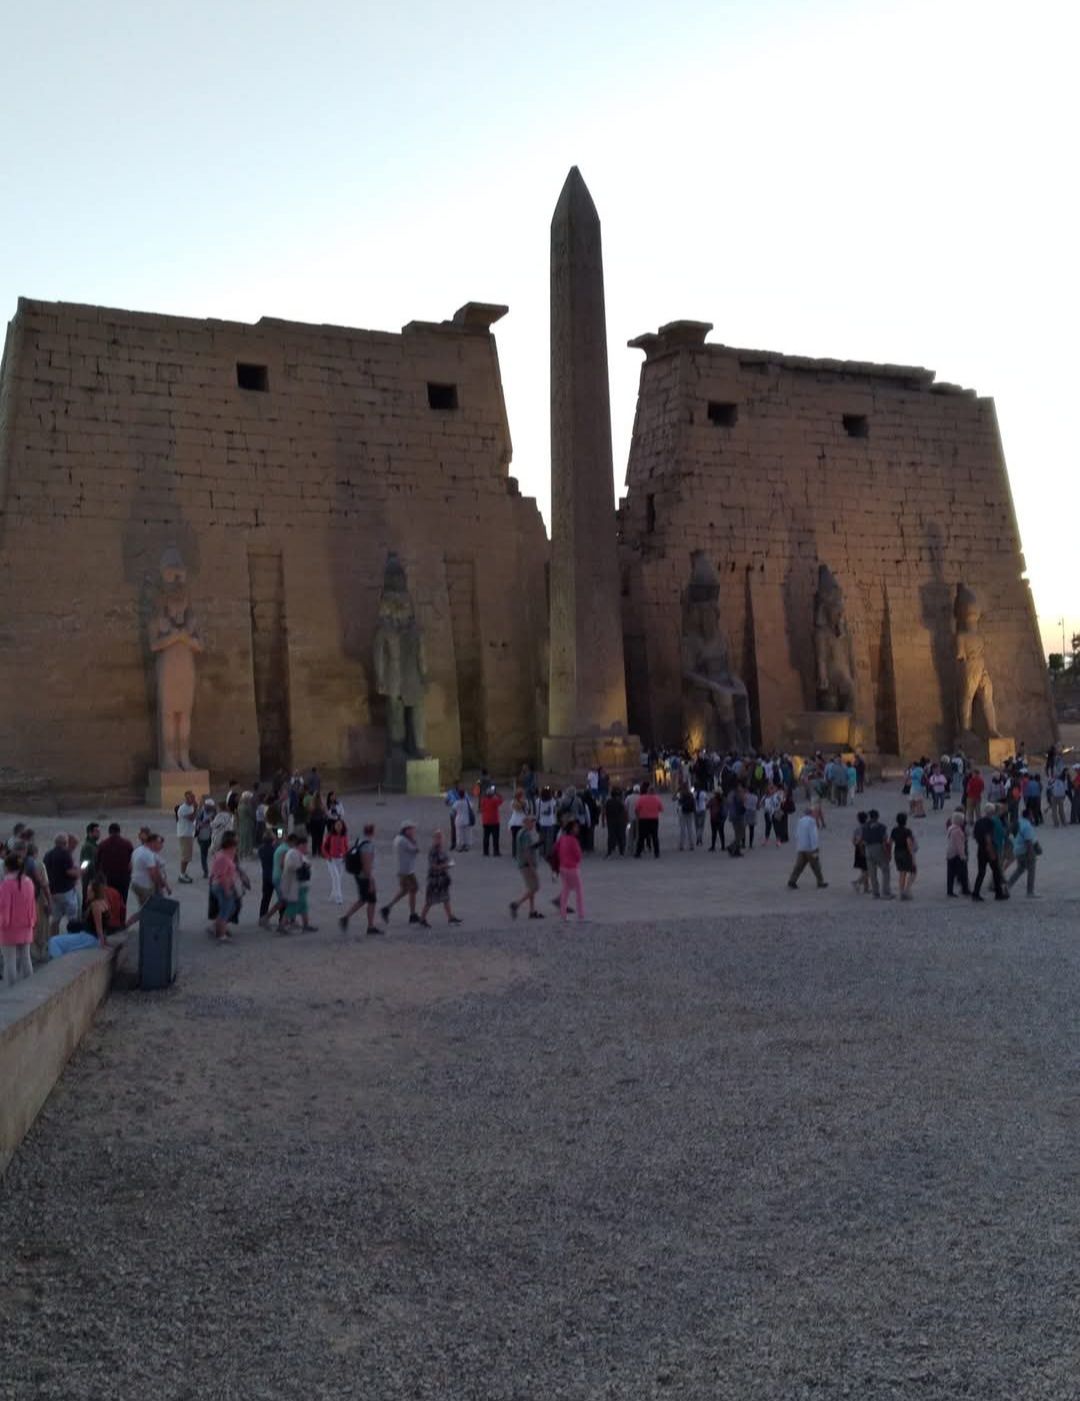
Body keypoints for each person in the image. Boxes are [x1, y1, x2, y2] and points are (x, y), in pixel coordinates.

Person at [1, 852, 38, 985]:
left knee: (9, 960)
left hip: (9, 926)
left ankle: (12, 989)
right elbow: (32, 903)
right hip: (26, 924)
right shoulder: (28, 882)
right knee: (25, 957)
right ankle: (29, 985)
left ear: (7, 867)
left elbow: (4, 906)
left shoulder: (6, 884)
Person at [209, 833, 250, 943]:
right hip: (222, 886)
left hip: (223, 885)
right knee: (226, 909)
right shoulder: (223, 857)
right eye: (236, 844)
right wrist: (227, 890)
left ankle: (218, 929)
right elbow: (222, 876)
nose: (237, 846)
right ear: (231, 845)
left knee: (229, 908)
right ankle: (221, 934)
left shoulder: (225, 855)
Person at [340, 825, 381, 934]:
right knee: (371, 900)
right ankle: (370, 926)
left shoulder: (359, 841)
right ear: (372, 832)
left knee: (363, 899)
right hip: (365, 876)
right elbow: (366, 864)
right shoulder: (367, 845)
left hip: (358, 874)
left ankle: (346, 917)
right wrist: (371, 881)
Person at [418, 830, 461, 927]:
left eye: (441, 838)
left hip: (442, 878)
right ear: (435, 839)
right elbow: (433, 866)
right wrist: (446, 865)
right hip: (435, 879)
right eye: (438, 838)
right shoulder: (433, 850)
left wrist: (448, 865)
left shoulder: (441, 849)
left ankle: (450, 918)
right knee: (430, 900)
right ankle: (422, 918)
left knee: (446, 898)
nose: (440, 840)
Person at [381, 822, 421, 925]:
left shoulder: (399, 839)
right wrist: (413, 841)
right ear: (406, 830)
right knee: (409, 890)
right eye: (411, 829)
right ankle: (389, 908)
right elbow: (415, 850)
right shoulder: (403, 841)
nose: (413, 832)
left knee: (410, 890)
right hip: (405, 871)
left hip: (406, 869)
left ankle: (410, 913)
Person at [44, 832, 81, 936]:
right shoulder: (65, 854)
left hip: (53, 891)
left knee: (55, 918)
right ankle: (72, 937)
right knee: (72, 917)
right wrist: (80, 872)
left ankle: (52, 939)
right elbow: (69, 872)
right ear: (65, 843)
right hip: (66, 891)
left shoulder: (48, 854)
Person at [280, 833, 317, 932]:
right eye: (305, 845)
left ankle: (305, 925)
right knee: (293, 905)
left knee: (303, 906)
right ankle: (282, 925)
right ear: (300, 845)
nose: (306, 848)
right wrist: (304, 866)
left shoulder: (296, 853)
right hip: (295, 885)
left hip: (300, 885)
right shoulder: (293, 853)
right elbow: (293, 867)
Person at [971, 805, 1007, 901]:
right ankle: (998, 893)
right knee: (996, 871)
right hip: (988, 849)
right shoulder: (990, 822)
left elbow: (974, 836)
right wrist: (991, 851)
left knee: (981, 872)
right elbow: (988, 837)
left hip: (980, 849)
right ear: (992, 812)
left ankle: (976, 893)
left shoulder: (978, 822)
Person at [509, 815, 542, 920]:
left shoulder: (521, 833)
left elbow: (527, 848)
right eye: (531, 822)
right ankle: (517, 904)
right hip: (527, 865)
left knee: (530, 888)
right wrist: (531, 866)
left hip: (523, 864)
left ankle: (532, 911)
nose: (533, 824)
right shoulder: (526, 834)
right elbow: (526, 851)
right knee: (535, 887)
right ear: (526, 823)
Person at [788, 807, 828, 889]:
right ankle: (820, 882)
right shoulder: (811, 821)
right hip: (810, 848)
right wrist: (815, 847)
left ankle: (792, 880)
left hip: (801, 847)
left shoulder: (800, 820)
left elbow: (796, 834)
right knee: (816, 865)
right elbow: (813, 835)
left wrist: (799, 844)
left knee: (798, 866)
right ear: (811, 813)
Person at [554, 819, 585, 923]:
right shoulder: (573, 840)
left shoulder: (562, 839)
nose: (577, 829)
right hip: (572, 868)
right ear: (571, 829)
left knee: (566, 890)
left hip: (563, 868)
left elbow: (556, 849)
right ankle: (581, 915)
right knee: (579, 892)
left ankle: (563, 914)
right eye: (575, 827)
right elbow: (578, 855)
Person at [96, 823, 134, 904]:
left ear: (109, 832)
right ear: (119, 831)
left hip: (108, 877)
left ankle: (111, 916)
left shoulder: (103, 844)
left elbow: (97, 862)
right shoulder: (127, 844)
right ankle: (122, 915)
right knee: (122, 900)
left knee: (109, 900)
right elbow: (132, 860)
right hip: (123, 877)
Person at [861, 809, 893, 899]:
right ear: (877, 817)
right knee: (885, 870)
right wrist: (887, 853)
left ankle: (875, 893)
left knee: (872, 872)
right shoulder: (881, 827)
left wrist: (863, 851)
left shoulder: (864, 827)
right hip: (878, 848)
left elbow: (862, 841)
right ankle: (886, 892)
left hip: (868, 849)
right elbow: (885, 840)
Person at [1007, 810, 1040, 897]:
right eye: (1031, 815)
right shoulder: (1027, 826)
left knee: (1020, 869)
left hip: (1017, 850)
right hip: (1025, 851)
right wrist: (1031, 854)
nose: (1032, 817)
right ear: (1029, 816)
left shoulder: (1018, 822)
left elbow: (1009, 831)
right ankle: (1030, 892)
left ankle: (1007, 886)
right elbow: (1028, 842)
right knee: (1031, 871)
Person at [131, 833, 168, 908]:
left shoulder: (138, 850)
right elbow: (153, 874)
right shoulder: (149, 854)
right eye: (159, 843)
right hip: (145, 886)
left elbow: (130, 866)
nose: (161, 846)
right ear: (153, 843)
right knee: (149, 910)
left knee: (143, 908)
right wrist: (159, 886)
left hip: (135, 883)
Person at [321, 817, 349, 905]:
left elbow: (347, 847)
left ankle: (333, 894)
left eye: (340, 825)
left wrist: (346, 856)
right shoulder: (330, 835)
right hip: (331, 859)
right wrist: (327, 856)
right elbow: (324, 847)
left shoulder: (344, 836)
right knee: (336, 876)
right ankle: (338, 897)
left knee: (338, 879)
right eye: (337, 825)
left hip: (341, 860)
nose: (338, 827)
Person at [891, 812, 918, 899]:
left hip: (897, 852)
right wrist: (913, 856)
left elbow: (890, 842)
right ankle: (907, 890)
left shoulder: (894, 830)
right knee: (913, 871)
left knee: (902, 872)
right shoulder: (907, 831)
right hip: (905, 853)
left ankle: (901, 892)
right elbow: (909, 843)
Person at [634, 784, 663, 858]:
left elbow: (637, 809)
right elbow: (661, 809)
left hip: (643, 819)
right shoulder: (657, 799)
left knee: (641, 837)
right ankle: (656, 853)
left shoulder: (641, 798)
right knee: (655, 836)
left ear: (647, 791)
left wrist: (638, 815)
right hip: (654, 819)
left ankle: (638, 852)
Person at [945, 811, 970, 896]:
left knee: (950, 874)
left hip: (950, 853)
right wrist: (963, 856)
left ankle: (950, 891)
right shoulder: (958, 831)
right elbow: (959, 845)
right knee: (963, 873)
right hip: (956, 854)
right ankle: (965, 889)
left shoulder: (951, 828)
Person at [176, 790, 197, 883]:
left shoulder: (191, 807)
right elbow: (192, 818)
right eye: (191, 797)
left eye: (193, 797)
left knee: (188, 856)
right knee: (185, 856)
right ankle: (181, 874)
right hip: (184, 834)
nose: (193, 799)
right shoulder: (183, 808)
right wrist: (196, 808)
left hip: (189, 833)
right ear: (186, 798)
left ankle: (183, 873)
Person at [480, 786, 504, 856]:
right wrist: (497, 793)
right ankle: (496, 851)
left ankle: (485, 851)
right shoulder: (495, 800)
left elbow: (481, 808)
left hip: (486, 821)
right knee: (495, 837)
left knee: (486, 837)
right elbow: (501, 800)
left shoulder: (483, 800)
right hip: (494, 821)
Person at [194, 799, 215, 878]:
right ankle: (205, 871)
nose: (211, 808)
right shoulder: (200, 812)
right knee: (204, 854)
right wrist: (206, 822)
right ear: (206, 805)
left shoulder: (213, 812)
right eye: (210, 806)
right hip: (203, 835)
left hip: (211, 835)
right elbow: (198, 823)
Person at [604, 788, 627, 858]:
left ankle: (609, 852)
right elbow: (623, 812)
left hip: (610, 821)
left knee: (611, 837)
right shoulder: (620, 802)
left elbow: (605, 812)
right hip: (619, 822)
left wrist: (604, 820)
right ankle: (621, 852)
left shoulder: (608, 802)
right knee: (620, 837)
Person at [851, 811, 869, 893]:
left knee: (863, 869)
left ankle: (866, 888)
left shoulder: (856, 829)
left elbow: (853, 840)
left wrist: (856, 844)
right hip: (865, 849)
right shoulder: (867, 828)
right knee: (868, 869)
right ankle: (857, 882)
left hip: (857, 849)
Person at [536, 787, 558, 856]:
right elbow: (554, 810)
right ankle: (548, 852)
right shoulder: (552, 801)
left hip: (542, 821)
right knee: (549, 839)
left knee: (542, 838)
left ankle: (541, 851)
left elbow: (537, 812)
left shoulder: (538, 801)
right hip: (550, 822)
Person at [677, 784, 696, 851]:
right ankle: (691, 845)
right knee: (690, 829)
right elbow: (694, 803)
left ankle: (681, 845)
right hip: (690, 812)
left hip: (683, 812)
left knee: (682, 829)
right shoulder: (691, 794)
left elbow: (678, 802)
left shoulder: (681, 794)